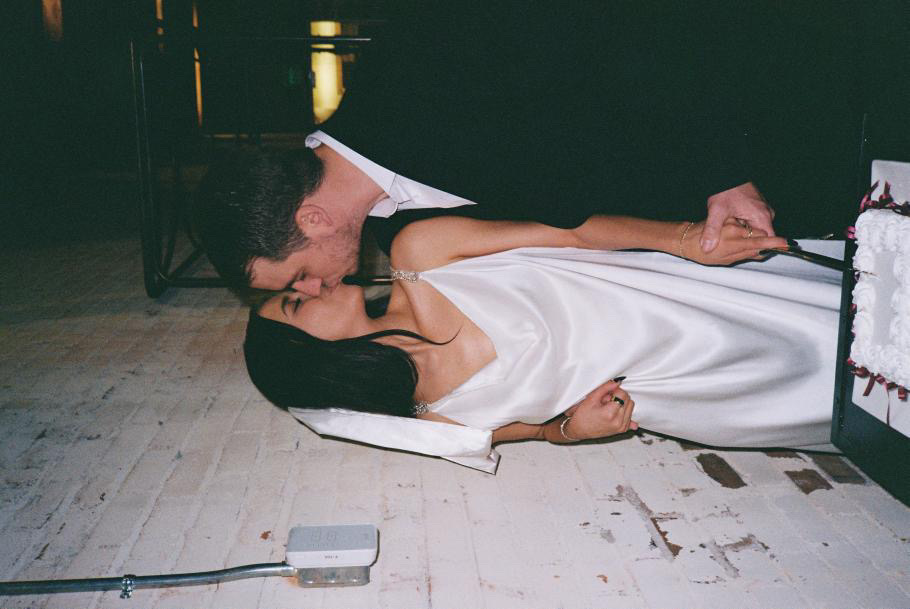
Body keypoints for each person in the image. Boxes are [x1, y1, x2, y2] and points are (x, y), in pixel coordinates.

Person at [194, 4, 776, 297]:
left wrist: (721, 169)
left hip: (761, 114)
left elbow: (627, 31)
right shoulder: (399, 237)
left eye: (296, 277)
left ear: (311, 219)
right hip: (715, 244)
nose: (311, 292)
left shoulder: (416, 59)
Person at [242, 214, 842, 472]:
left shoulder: (419, 252)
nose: (312, 283)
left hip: (694, 294)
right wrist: (572, 431)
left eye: (295, 285)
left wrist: (683, 239)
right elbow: (534, 431)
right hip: (701, 387)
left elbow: (572, 231)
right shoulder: (436, 417)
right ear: (314, 361)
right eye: (296, 300)